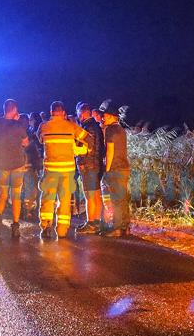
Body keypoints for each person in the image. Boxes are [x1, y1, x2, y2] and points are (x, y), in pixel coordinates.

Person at [37, 101, 90, 238]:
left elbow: (40, 140)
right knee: (65, 200)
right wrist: (80, 149)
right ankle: (62, 230)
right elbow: (88, 139)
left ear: (51, 112)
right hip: (68, 170)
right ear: (63, 112)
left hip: (51, 170)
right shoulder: (71, 126)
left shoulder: (44, 126)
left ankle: (46, 225)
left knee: (48, 198)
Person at [0, 99, 30, 238]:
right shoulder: (18, 126)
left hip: (1, 164)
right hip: (17, 164)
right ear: (14, 110)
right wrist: (18, 122)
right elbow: (25, 143)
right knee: (16, 195)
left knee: (3, 194)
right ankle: (15, 226)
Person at [99, 101, 131, 236]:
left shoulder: (110, 129)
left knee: (116, 199)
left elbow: (110, 151)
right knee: (122, 198)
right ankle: (125, 227)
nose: (102, 118)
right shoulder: (121, 129)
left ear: (112, 116)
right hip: (124, 167)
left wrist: (107, 170)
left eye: (104, 115)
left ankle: (116, 228)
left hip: (115, 168)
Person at [75, 102, 105, 234]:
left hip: (88, 165)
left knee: (90, 195)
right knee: (96, 194)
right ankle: (97, 222)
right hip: (96, 164)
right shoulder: (95, 126)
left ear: (81, 113)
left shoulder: (87, 127)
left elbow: (88, 148)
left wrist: (78, 156)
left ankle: (91, 222)